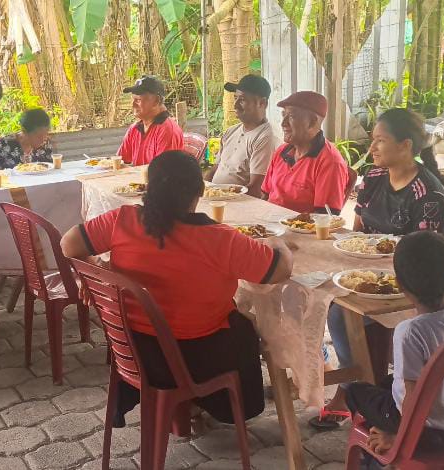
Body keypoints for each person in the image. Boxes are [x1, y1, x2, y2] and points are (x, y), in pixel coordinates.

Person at [60, 150, 294, 427]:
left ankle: (185, 408)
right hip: (197, 359)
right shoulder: (219, 239)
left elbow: (68, 244)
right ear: (200, 191)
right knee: (245, 327)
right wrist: (280, 244)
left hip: (135, 354)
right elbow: (280, 270)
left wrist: (99, 272)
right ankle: (219, 404)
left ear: (149, 189)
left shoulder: (122, 220)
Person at [311, 108, 444, 430]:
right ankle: (360, 380)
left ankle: (355, 388)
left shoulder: (428, 194)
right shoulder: (375, 178)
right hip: (366, 272)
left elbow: (424, 258)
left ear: (405, 145)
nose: (372, 147)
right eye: (373, 139)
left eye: (380, 140)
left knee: (339, 313)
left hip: (406, 284)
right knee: (318, 292)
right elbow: (357, 232)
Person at [343, 231, 444, 463]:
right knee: (386, 382)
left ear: (400, 285)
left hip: (425, 431)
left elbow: (411, 399)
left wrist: (399, 439)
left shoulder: (410, 332)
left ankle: (377, 458)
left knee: (355, 392)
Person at [261, 91, 348, 214]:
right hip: (268, 221)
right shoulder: (281, 151)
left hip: (298, 226)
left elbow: (324, 218)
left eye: (291, 116)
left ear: (312, 122)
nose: (283, 123)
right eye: (283, 115)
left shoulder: (330, 162)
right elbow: (265, 195)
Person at [209, 74, 280, 196]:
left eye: (242, 100)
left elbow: (256, 189)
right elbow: (214, 170)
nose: (235, 105)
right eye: (235, 98)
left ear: (262, 103)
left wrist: (221, 198)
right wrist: (202, 190)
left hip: (240, 203)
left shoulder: (266, 137)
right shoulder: (230, 132)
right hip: (216, 200)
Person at [117, 75, 184, 166]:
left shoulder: (167, 130)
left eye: (138, 100)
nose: (133, 105)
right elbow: (120, 161)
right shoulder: (134, 128)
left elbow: (163, 172)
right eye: (132, 99)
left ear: (156, 101)